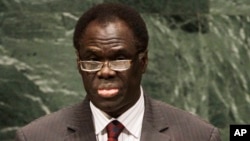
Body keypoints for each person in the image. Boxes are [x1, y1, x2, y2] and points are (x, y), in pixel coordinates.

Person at [15, 3, 221, 141]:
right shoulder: (35, 137)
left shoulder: (198, 136)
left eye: (119, 59)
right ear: (78, 63)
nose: (105, 72)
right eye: (93, 60)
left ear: (143, 61)